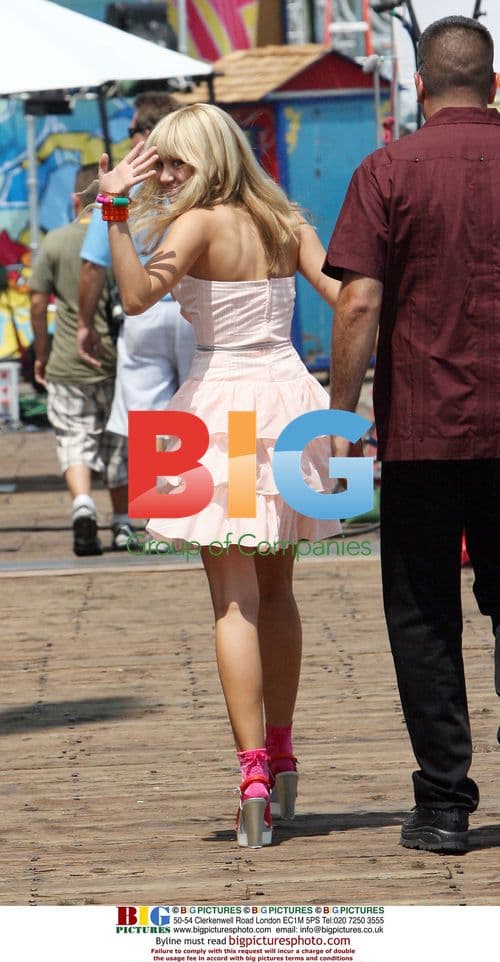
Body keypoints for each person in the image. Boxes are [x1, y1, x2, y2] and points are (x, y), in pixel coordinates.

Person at [96, 102, 341, 848]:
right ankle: (287, 751)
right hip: (293, 401)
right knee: (280, 590)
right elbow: (349, 298)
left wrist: (113, 206)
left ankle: (254, 774)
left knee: (231, 601)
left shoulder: (197, 224)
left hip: (219, 405)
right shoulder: (287, 221)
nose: (165, 175)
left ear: (211, 159)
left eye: (175, 162)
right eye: (158, 162)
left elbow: (137, 296)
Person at [323, 15, 500, 854]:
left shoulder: (385, 169)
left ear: (420, 87)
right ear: (494, 85)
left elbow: (358, 302)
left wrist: (343, 413)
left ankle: (443, 805)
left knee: (425, 615)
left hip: (423, 431)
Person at [78, 91, 195, 458]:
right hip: (198, 310)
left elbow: (93, 265)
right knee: (205, 411)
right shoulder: (195, 179)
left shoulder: (122, 184)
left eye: (131, 128)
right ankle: (211, 505)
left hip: (144, 310)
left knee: (148, 420)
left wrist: (85, 323)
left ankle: (158, 510)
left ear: (145, 132)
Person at [30, 165, 137, 556]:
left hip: (67, 362)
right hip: (115, 359)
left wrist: (41, 352)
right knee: (117, 441)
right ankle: (123, 523)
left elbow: (39, 301)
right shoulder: (119, 237)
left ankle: (82, 505)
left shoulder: (55, 243)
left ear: (76, 200)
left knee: (74, 437)